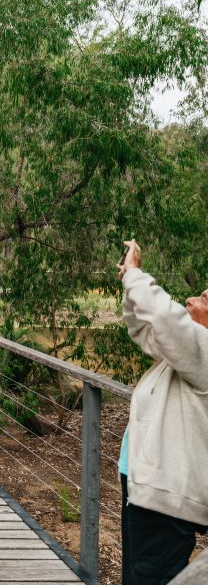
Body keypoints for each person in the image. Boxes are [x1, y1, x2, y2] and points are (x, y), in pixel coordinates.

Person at [117, 239, 208, 584]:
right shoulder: (189, 355)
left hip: (167, 502)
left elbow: (163, 317)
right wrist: (129, 284)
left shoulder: (204, 355)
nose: (191, 300)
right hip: (144, 486)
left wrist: (137, 274)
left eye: (204, 299)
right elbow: (143, 327)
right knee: (136, 574)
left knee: (149, 577)